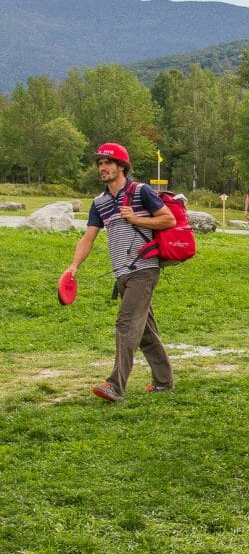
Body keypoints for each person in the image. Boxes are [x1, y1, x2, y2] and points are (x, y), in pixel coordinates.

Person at [63, 142, 176, 402]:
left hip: (144, 269)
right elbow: (88, 238)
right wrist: (74, 266)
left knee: (125, 323)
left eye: (108, 162)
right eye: (99, 163)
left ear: (122, 166)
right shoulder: (99, 202)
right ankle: (164, 380)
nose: (102, 167)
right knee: (145, 331)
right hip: (121, 274)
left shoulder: (141, 191)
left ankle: (115, 385)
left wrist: (137, 219)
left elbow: (168, 219)